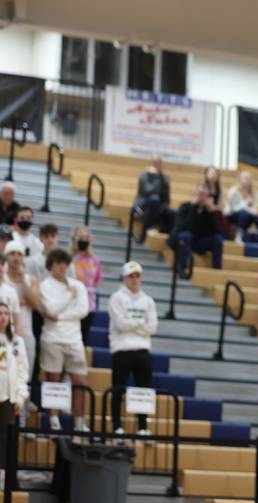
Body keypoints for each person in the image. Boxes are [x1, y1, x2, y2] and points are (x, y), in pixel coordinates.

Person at [39, 249, 90, 432]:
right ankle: (54, 420)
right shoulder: (44, 285)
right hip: (52, 338)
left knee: (81, 383)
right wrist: (69, 296)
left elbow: (83, 310)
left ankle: (79, 423)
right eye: (58, 263)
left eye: (65, 263)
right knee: (53, 380)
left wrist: (60, 317)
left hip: (74, 339)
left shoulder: (78, 285)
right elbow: (50, 310)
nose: (62, 267)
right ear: (51, 265)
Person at [108, 261, 157, 437]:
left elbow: (152, 327)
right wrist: (140, 324)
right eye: (131, 276)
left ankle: (143, 427)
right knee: (118, 390)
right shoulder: (116, 298)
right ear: (124, 278)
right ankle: (116, 427)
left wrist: (133, 325)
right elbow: (120, 325)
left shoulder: (148, 301)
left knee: (143, 391)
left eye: (137, 276)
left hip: (143, 350)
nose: (135, 279)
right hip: (122, 350)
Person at [4, 241, 39, 398]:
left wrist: (23, 280)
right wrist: (22, 301)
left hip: (25, 334)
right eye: (12, 254)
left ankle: (22, 420)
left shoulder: (31, 279)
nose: (16, 258)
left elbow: (36, 303)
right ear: (6, 257)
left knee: (24, 378)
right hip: (4, 334)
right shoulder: (1, 279)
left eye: (19, 254)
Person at [0, 302, 29, 480]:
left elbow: (22, 372)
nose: (2, 317)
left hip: (7, 397)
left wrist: (20, 397)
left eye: (5, 313)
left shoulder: (17, 342)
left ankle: (2, 476)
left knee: (3, 438)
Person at [170, 184, 224, 272]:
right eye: (200, 194)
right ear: (194, 195)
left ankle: (217, 271)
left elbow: (218, 231)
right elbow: (181, 227)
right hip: (184, 242)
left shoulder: (209, 211)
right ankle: (182, 269)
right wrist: (193, 208)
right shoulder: (185, 206)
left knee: (218, 239)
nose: (202, 198)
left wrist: (211, 214)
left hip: (200, 242)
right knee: (186, 236)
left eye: (205, 195)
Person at [70, 226, 103, 345]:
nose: (83, 240)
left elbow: (98, 280)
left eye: (86, 237)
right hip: (72, 302)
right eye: (80, 237)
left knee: (84, 336)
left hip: (89, 302)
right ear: (74, 238)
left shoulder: (94, 260)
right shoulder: (70, 258)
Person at [134, 156, 172, 233]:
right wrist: (156, 177)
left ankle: (165, 233)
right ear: (150, 165)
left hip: (158, 206)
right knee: (154, 199)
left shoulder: (165, 178)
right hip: (143, 205)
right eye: (154, 164)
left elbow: (166, 197)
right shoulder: (144, 175)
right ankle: (149, 227)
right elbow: (149, 191)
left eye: (159, 164)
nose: (157, 166)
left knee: (172, 212)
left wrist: (165, 206)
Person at [225, 171, 258, 242]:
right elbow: (233, 209)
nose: (247, 181)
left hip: (246, 218)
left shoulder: (254, 194)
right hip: (231, 216)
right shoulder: (233, 191)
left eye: (249, 179)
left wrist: (251, 208)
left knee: (255, 216)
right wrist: (245, 204)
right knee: (244, 212)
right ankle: (239, 235)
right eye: (245, 178)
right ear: (240, 179)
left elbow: (255, 211)